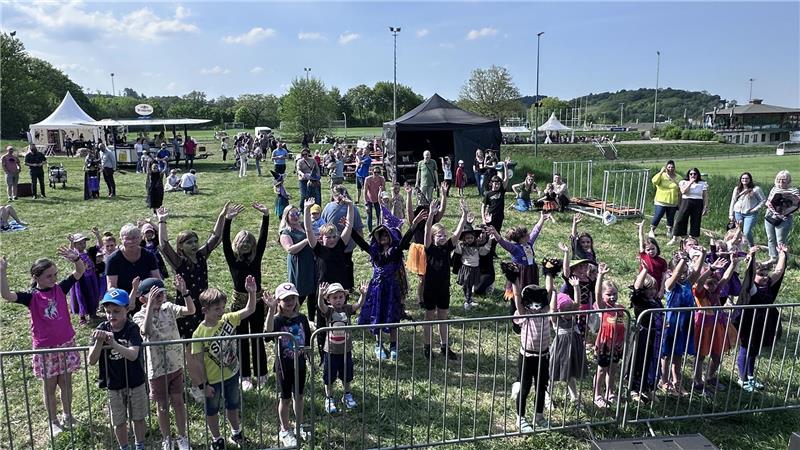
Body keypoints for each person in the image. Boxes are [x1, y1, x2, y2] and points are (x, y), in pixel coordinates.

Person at [0, 249, 84, 436]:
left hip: (66, 344)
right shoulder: (31, 297)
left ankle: (68, 415)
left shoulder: (61, 288)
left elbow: (79, 272)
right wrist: (2, 272)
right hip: (45, 349)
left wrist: (76, 259)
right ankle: (53, 420)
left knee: (66, 383)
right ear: (35, 277)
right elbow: (6, 295)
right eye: (48, 276)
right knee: (49, 386)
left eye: (55, 275)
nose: (53, 278)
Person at [191, 276, 258, 450]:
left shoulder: (228, 318)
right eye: (216, 309)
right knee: (212, 411)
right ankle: (217, 438)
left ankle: (236, 432)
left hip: (232, 373)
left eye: (222, 307)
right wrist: (203, 384)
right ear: (205, 310)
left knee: (233, 405)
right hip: (212, 380)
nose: (221, 312)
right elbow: (197, 362)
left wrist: (251, 292)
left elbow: (250, 309)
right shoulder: (199, 334)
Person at [131, 277, 193, 450]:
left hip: (176, 364)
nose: (160, 298)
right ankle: (167, 438)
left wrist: (184, 292)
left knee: (178, 402)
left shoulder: (170, 308)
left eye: (162, 294)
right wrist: (150, 306)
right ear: (142, 298)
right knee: (162, 406)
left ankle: (182, 437)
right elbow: (146, 331)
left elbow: (190, 310)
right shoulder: (139, 315)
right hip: (157, 369)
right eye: (154, 295)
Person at [88, 288, 147, 450]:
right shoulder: (102, 327)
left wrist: (113, 344)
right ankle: (124, 447)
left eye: (116, 311)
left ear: (127, 309)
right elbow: (91, 360)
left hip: (135, 380)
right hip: (113, 383)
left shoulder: (132, 328)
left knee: (138, 417)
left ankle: (139, 445)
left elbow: (134, 355)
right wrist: (100, 341)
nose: (111, 315)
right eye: (108, 311)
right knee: (119, 420)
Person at [222, 202, 270, 390]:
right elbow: (225, 241)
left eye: (249, 243)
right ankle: (245, 376)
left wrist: (265, 216)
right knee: (241, 339)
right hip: (239, 305)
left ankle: (261, 372)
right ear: (236, 245)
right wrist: (228, 220)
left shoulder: (256, 258)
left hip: (257, 302)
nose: (245, 245)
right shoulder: (232, 259)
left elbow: (264, 238)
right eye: (242, 243)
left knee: (257, 337)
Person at [264, 283, 312, 447]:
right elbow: (268, 335)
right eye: (285, 299)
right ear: (278, 302)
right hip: (283, 367)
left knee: (299, 396)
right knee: (285, 399)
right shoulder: (277, 320)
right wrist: (270, 311)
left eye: (292, 298)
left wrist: (310, 358)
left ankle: (300, 425)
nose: (290, 302)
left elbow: (307, 341)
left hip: (300, 365)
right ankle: (285, 429)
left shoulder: (302, 318)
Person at [734, 244, 787, 392]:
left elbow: (779, 271)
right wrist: (752, 257)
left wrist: (782, 254)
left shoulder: (768, 285)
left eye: (765, 274)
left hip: (762, 323)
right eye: (760, 274)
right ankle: (742, 379)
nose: (764, 277)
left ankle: (750, 377)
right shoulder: (751, 287)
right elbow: (749, 276)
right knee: (745, 349)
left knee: (754, 351)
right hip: (747, 323)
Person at [421, 199, 466, 360]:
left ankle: (444, 346)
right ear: (433, 237)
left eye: (444, 235)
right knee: (429, 317)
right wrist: (431, 215)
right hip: (430, 288)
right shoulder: (429, 248)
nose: (443, 237)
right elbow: (426, 231)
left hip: (443, 288)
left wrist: (464, 215)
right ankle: (427, 347)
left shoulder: (447, 247)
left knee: (443, 317)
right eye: (440, 235)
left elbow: (458, 233)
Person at [659, 247, 704, 397]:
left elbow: (697, 272)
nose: (683, 275)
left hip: (685, 322)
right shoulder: (670, 284)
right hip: (672, 321)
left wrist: (702, 254)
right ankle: (664, 381)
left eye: (686, 272)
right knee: (667, 353)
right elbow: (677, 273)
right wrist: (683, 259)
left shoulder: (687, 283)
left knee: (678, 353)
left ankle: (677, 382)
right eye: (681, 272)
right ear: (671, 272)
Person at [691, 254, 737, 395]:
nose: (713, 286)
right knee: (701, 356)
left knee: (717, 356)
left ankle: (709, 377)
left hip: (717, 327)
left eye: (714, 283)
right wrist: (710, 269)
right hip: (703, 326)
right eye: (709, 283)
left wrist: (733, 263)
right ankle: (698, 383)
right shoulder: (700, 293)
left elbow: (725, 278)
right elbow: (699, 283)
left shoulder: (716, 291)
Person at [318, 282, 367, 413]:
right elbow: (321, 306)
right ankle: (329, 398)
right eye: (334, 297)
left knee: (347, 374)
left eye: (340, 297)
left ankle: (347, 394)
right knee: (329, 376)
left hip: (346, 350)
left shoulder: (347, 309)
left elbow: (359, 304)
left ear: (344, 297)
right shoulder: (329, 311)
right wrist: (320, 295)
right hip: (331, 350)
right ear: (328, 299)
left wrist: (363, 294)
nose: (338, 300)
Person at [510, 281, 551, 432]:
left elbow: (550, 290)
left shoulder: (545, 311)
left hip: (543, 355)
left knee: (541, 387)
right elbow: (516, 297)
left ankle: (539, 416)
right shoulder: (524, 313)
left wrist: (550, 274)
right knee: (525, 387)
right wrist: (514, 280)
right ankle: (520, 418)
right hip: (527, 357)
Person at [105, 223, 161, 312]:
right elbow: (111, 286)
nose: (131, 241)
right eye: (127, 238)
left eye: (135, 237)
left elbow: (157, 278)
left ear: (140, 238)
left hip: (146, 298)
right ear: (121, 240)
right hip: (123, 300)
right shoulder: (113, 259)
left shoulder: (149, 256)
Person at [592, 263, 625, 408]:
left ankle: (610, 392)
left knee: (613, 369)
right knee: (601, 369)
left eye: (614, 294)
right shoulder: (603, 307)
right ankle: (597, 394)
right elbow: (598, 294)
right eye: (609, 294)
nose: (612, 297)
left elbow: (622, 326)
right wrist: (600, 276)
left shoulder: (621, 308)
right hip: (605, 343)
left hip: (617, 344)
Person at [628, 267, 663, 403]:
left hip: (655, 337)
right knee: (639, 362)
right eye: (649, 288)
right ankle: (634, 389)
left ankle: (647, 388)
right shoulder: (639, 301)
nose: (652, 291)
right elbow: (636, 288)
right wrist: (645, 270)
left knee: (652, 363)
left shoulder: (656, 302)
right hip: (643, 336)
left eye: (654, 288)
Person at [279, 205, 316, 317]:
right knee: (299, 292)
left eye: (297, 213)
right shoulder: (285, 232)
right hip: (299, 264)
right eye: (292, 214)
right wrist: (306, 240)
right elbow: (290, 249)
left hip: (311, 262)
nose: (296, 216)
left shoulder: (303, 226)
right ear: (286, 217)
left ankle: (310, 318)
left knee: (313, 292)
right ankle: (292, 316)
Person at [763, 170, 799, 263]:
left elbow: (795, 205)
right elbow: (768, 202)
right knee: (771, 238)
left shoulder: (794, 191)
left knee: (781, 240)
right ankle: (773, 258)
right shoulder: (774, 189)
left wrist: (782, 213)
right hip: (770, 216)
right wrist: (775, 212)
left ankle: (782, 260)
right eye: (779, 179)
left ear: (788, 180)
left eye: (783, 180)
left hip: (785, 218)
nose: (781, 182)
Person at [67, 232, 102, 325]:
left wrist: (97, 235)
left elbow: (100, 245)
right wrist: (71, 242)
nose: (82, 245)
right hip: (81, 279)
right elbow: (69, 252)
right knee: (82, 296)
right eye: (79, 243)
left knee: (93, 294)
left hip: (91, 276)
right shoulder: (75, 255)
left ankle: (93, 313)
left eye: (83, 243)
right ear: (75, 245)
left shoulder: (89, 252)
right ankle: (82, 316)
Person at [455, 221, 492, 310]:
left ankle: (469, 299)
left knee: (470, 285)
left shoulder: (477, 247)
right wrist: (455, 240)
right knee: (466, 285)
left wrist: (490, 240)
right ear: (464, 239)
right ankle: (467, 300)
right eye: (467, 238)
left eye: (471, 237)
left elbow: (484, 252)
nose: (470, 239)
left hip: (475, 268)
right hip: (466, 268)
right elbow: (458, 251)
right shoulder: (463, 247)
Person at [669, 168, 708, 245]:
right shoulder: (683, 182)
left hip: (697, 202)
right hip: (686, 201)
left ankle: (694, 239)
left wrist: (705, 207)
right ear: (688, 175)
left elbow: (705, 196)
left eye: (695, 174)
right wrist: (690, 183)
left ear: (698, 175)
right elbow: (683, 191)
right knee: (680, 219)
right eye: (691, 174)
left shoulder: (702, 184)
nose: (693, 175)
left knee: (696, 221)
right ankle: (675, 237)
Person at [727, 172, 766, 247]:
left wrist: (755, 209)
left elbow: (763, 200)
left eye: (746, 178)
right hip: (738, 212)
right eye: (743, 178)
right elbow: (733, 201)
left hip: (750, 214)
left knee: (747, 231)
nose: (744, 180)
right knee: (739, 231)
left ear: (750, 179)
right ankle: (739, 247)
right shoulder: (737, 189)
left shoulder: (756, 189)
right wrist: (731, 214)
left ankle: (751, 246)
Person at [649, 160, 680, 238]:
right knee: (658, 215)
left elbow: (680, 188)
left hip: (673, 201)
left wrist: (680, 202)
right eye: (669, 167)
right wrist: (660, 172)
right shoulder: (662, 176)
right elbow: (654, 181)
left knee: (670, 217)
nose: (671, 169)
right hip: (661, 201)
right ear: (666, 167)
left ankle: (669, 231)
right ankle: (652, 230)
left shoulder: (678, 177)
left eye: (672, 167)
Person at [482, 158, 512, 237]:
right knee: (488, 234)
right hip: (490, 217)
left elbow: (506, 179)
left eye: (498, 184)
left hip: (499, 217)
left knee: (497, 234)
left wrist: (505, 166)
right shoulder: (488, 194)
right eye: (495, 184)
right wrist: (483, 218)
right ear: (491, 183)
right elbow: (483, 206)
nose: (497, 185)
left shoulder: (501, 191)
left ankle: (493, 247)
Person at [363, 166, 386, 231]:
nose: (377, 174)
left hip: (378, 200)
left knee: (379, 215)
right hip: (369, 199)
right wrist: (366, 204)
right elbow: (364, 192)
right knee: (369, 216)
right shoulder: (368, 179)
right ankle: (370, 232)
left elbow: (384, 191)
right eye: (375, 172)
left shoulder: (382, 179)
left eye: (378, 172)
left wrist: (384, 201)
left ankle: (378, 230)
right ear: (372, 172)